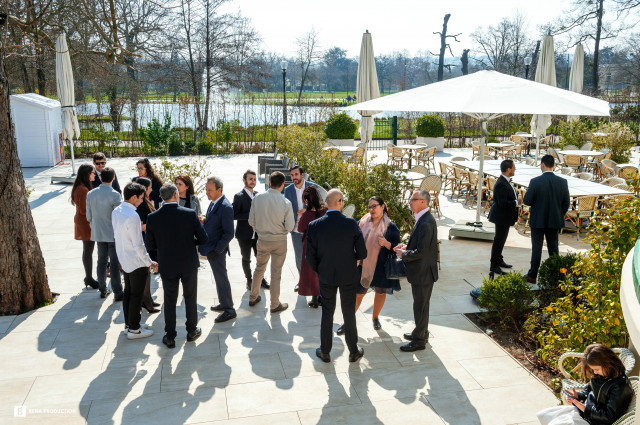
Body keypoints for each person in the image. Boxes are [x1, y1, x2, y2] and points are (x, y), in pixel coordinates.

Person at [306, 189, 367, 363]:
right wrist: (353, 261)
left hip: (326, 276)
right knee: (349, 313)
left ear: (326, 204)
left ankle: (325, 351)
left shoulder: (315, 226)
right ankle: (353, 351)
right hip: (348, 275)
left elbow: (309, 257)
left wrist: (321, 269)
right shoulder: (350, 223)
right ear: (340, 202)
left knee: (327, 312)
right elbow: (362, 252)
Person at [146, 184, 208, 348]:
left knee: (169, 300)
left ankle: (170, 336)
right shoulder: (189, 214)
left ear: (162, 198)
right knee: (190, 298)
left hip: (167, 264)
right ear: (175, 195)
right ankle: (191, 331)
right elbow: (203, 238)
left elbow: (150, 245)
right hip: (188, 262)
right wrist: (189, 243)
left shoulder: (153, 218)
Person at [336, 196, 401, 334]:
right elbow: (352, 238)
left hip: (381, 267)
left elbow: (398, 248)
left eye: (374, 206)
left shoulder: (391, 226)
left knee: (380, 292)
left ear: (383, 207)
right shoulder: (363, 221)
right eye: (369, 207)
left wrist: (387, 244)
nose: (371, 209)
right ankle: (348, 322)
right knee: (358, 294)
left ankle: (375, 317)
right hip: (363, 265)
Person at [536, 343, 633, 425]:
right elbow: (589, 391)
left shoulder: (620, 386)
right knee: (546, 415)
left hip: (592, 421)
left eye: (596, 369)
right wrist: (578, 395)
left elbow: (608, 417)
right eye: (593, 369)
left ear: (608, 363)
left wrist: (585, 408)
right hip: (584, 414)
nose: (594, 373)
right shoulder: (602, 375)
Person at [112, 183, 159, 340]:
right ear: (133, 197)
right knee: (136, 296)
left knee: (128, 293)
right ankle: (134, 329)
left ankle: (130, 324)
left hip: (124, 259)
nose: (142, 200)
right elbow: (138, 244)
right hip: (136, 261)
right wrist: (149, 262)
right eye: (140, 197)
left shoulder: (117, 211)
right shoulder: (133, 216)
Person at [394, 189, 439, 352]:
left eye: (413, 199)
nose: (410, 202)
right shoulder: (423, 218)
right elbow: (421, 246)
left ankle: (419, 340)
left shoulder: (426, 222)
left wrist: (403, 253)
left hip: (423, 273)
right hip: (423, 272)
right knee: (421, 305)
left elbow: (422, 252)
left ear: (423, 202)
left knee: (420, 306)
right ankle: (421, 332)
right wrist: (408, 247)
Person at [248, 171, 295, 313]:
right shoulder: (286, 202)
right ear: (282, 185)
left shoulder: (257, 198)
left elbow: (251, 221)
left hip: (262, 239)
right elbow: (290, 226)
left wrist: (260, 230)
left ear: (269, 183)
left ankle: (252, 297)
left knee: (259, 268)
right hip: (279, 241)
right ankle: (274, 304)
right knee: (276, 272)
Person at [523, 155, 570, 284]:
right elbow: (566, 203)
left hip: (538, 220)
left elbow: (527, 201)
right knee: (554, 249)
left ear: (542, 165)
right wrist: (559, 213)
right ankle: (556, 276)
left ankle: (532, 275)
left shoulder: (535, 181)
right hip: (554, 220)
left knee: (536, 249)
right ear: (553, 165)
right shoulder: (562, 182)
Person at [199, 176, 237, 323]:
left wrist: (217, 250)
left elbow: (229, 233)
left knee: (222, 279)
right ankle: (224, 302)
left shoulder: (226, 207)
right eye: (206, 189)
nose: (207, 192)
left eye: (210, 190)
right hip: (211, 249)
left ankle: (229, 310)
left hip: (216, 251)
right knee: (218, 278)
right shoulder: (214, 203)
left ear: (219, 190)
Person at [86, 167, 123, 300]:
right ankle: (118, 291)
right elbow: (118, 217)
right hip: (112, 233)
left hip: (98, 232)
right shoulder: (115, 195)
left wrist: (94, 226)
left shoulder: (91, 194)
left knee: (101, 261)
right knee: (114, 263)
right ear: (113, 178)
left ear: (100, 178)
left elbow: (88, 216)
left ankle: (102, 288)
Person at [232, 170, 269, 291]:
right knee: (246, 259)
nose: (253, 181)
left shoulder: (258, 195)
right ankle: (249, 280)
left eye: (254, 179)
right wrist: (251, 215)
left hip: (258, 234)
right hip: (244, 234)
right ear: (244, 180)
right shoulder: (239, 196)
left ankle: (261, 279)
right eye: (250, 179)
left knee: (260, 258)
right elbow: (234, 215)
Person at [284, 165, 319, 290]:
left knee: (313, 256)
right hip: (295, 229)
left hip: (311, 228)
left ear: (302, 174)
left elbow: (320, 205)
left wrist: (307, 210)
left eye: (296, 175)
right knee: (299, 257)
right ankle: (301, 281)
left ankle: (315, 283)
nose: (294, 177)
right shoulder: (288, 190)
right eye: (292, 175)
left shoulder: (313, 187)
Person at [297, 186, 327, 308]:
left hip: (309, 245)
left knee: (310, 271)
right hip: (323, 244)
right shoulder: (325, 211)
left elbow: (300, 229)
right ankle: (320, 296)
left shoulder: (307, 215)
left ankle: (314, 299)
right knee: (321, 270)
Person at [71, 163, 100, 290]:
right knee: (88, 250)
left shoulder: (80, 187)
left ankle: (88, 277)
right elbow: (84, 210)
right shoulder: (83, 189)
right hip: (85, 222)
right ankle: (89, 277)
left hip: (82, 221)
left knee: (87, 250)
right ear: (87, 174)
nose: (94, 174)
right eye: (93, 172)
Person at [134, 177, 160, 314]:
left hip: (149, 241)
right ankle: (146, 301)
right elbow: (140, 226)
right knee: (146, 274)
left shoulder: (146, 202)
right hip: (144, 241)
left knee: (148, 274)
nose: (152, 189)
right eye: (150, 187)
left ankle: (148, 298)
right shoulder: (141, 206)